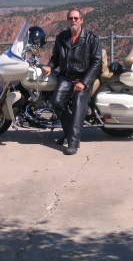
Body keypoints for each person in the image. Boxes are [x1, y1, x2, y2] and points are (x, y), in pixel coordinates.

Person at [41, 8, 102, 155]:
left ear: (81, 20)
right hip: (66, 76)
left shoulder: (91, 38)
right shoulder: (61, 37)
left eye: (76, 18)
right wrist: (49, 67)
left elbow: (96, 62)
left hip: (83, 78)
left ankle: (73, 143)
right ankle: (70, 132)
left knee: (78, 104)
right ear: (67, 21)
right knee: (56, 102)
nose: (73, 21)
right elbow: (55, 57)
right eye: (70, 18)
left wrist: (85, 82)